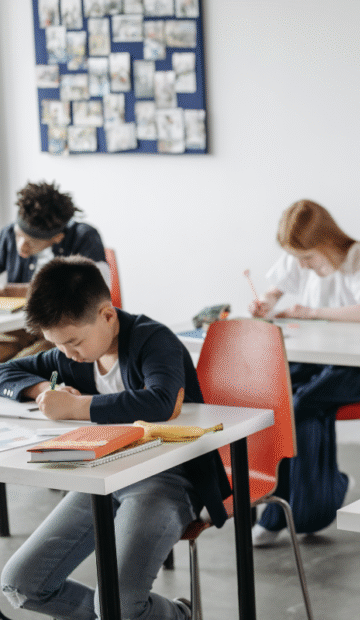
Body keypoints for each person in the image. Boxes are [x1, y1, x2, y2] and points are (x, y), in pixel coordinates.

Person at [0, 256, 230, 620]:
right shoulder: (72, 355)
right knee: (20, 584)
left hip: (167, 478)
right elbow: (6, 371)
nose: (66, 354)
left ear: (107, 316)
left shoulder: (154, 340)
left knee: (118, 607)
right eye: (56, 345)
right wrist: (43, 389)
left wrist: (75, 408)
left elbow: (160, 400)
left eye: (73, 342)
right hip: (100, 477)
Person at [248, 199, 360, 546]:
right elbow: (273, 290)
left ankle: (282, 511)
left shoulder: (359, 256)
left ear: (326, 241)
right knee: (275, 399)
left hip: (358, 367)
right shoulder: (300, 257)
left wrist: (312, 312)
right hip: (313, 361)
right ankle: (322, 492)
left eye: (308, 257)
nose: (302, 265)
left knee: (303, 403)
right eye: (297, 258)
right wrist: (266, 302)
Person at [0, 181, 109, 362]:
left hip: (64, 331)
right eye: (18, 235)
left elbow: (97, 291)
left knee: (17, 366)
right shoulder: (8, 233)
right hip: (20, 326)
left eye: (30, 242)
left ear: (57, 238)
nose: (21, 247)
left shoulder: (85, 237)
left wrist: (24, 291)